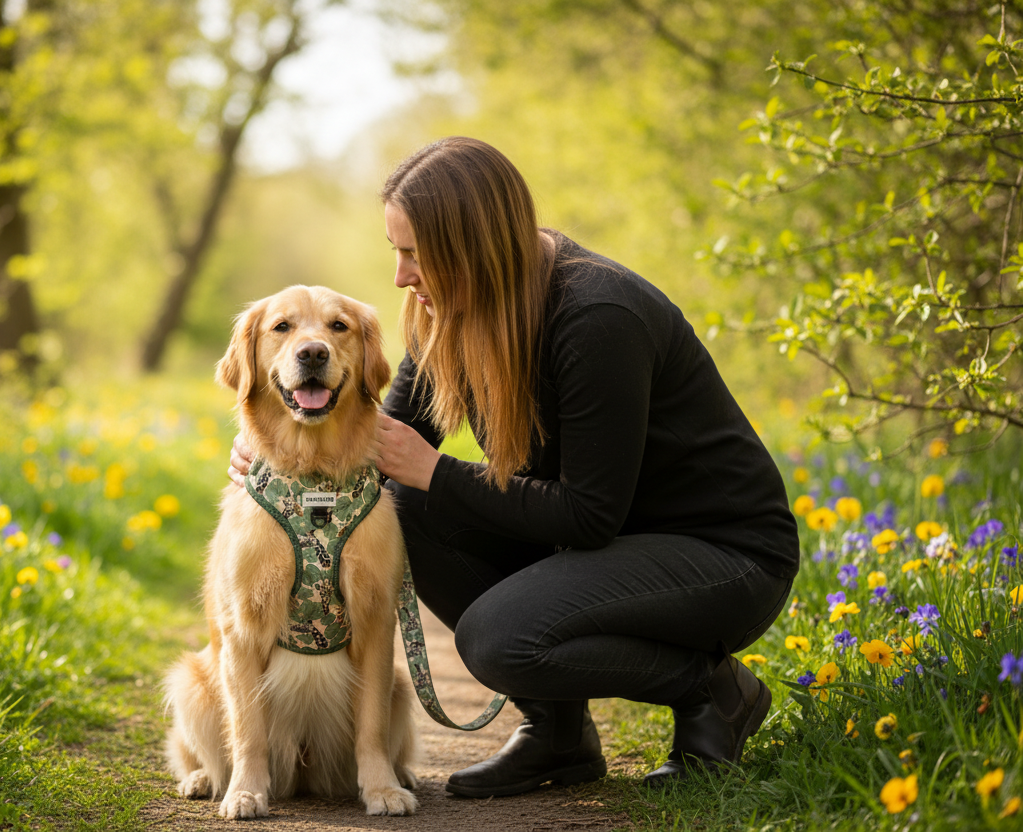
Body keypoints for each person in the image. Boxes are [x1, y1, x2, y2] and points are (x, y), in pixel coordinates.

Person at [230, 136, 800, 796]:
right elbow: (385, 448)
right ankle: (559, 738)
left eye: (415, 253)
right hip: (607, 545)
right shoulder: (446, 308)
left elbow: (588, 515)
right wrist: (271, 453)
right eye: (397, 250)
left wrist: (437, 473)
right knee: (408, 509)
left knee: (501, 638)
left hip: (721, 557)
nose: (401, 276)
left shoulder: (598, 316)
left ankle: (713, 692)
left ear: (473, 247)